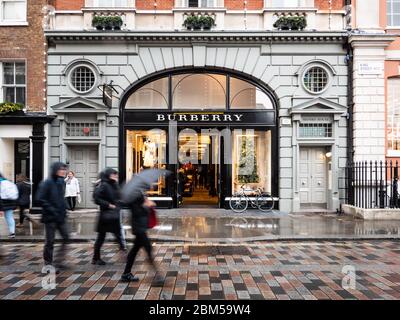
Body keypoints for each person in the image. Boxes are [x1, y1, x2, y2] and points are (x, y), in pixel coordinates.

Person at [120, 192, 163, 285]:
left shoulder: (139, 193)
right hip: (139, 228)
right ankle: (157, 277)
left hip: (140, 227)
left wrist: (147, 203)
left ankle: (126, 273)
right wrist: (147, 205)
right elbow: (137, 211)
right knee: (148, 249)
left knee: (134, 250)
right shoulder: (135, 195)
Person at [36, 162, 70, 270]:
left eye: (65, 170)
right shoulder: (47, 183)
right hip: (50, 217)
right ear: (55, 170)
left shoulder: (61, 182)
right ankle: (48, 264)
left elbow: (60, 198)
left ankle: (59, 261)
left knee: (66, 237)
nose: (64, 171)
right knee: (50, 241)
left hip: (60, 217)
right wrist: (52, 209)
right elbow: (40, 198)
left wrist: (65, 208)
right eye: (61, 169)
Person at [92, 168, 126, 265]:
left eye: (116, 174)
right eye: (113, 174)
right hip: (105, 216)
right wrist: (108, 205)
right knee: (101, 237)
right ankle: (96, 258)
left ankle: (124, 253)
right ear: (108, 175)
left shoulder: (114, 184)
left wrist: (120, 203)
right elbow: (96, 199)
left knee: (118, 235)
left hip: (114, 215)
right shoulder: (104, 185)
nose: (115, 176)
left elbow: (119, 197)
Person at [0, 173, 18, 238]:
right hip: (10, 202)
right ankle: (12, 232)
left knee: (8, 217)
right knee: (9, 217)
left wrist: (1, 209)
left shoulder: (1, 183)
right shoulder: (9, 182)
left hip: (2, 202)